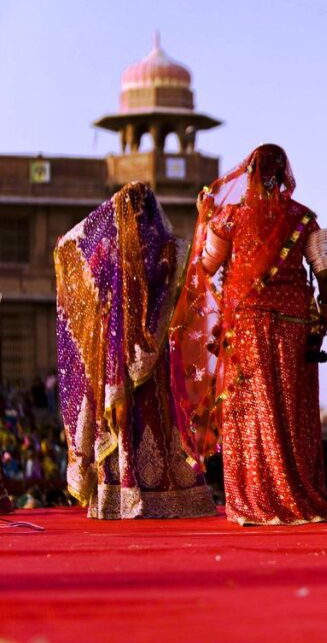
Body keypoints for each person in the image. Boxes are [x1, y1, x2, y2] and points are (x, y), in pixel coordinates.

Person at [171, 144, 327, 525]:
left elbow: (206, 266)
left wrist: (202, 222)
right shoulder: (303, 219)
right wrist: (325, 312)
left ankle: (256, 500)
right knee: (292, 411)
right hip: (294, 328)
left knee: (252, 412)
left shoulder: (228, 219)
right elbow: (323, 270)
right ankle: (298, 497)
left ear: (251, 174)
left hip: (245, 328)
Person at [54, 182, 215, 519]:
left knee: (137, 420)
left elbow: (73, 251)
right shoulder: (164, 250)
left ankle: (126, 494)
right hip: (139, 357)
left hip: (124, 359)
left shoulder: (119, 252)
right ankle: (144, 495)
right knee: (146, 416)